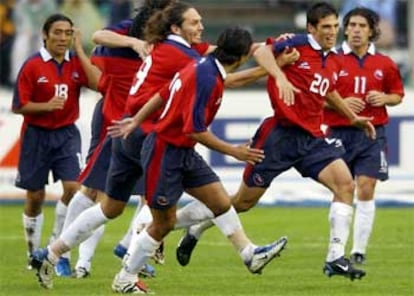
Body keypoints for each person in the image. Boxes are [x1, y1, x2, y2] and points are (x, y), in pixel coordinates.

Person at [175, 1, 376, 281]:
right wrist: (279, 75)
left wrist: (351, 118)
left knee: (345, 184)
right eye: (326, 27)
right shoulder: (294, 44)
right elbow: (262, 50)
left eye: (334, 27)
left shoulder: (333, 58)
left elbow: (327, 92)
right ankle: (192, 227)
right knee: (242, 203)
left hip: (312, 138)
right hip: (278, 137)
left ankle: (335, 258)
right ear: (311, 28)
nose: (332, 32)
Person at [107, 25, 291, 294]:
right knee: (164, 225)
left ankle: (250, 254)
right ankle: (125, 277)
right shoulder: (207, 77)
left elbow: (163, 92)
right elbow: (193, 129)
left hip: (182, 152)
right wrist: (233, 151)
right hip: (165, 153)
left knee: (220, 202)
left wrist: (137, 118)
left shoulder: (203, 65)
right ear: (240, 58)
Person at [56, 0, 174, 278]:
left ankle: (130, 250)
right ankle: (68, 256)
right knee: (94, 191)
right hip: (112, 121)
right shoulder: (124, 34)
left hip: (142, 126)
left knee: (151, 193)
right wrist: (133, 43)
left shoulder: (169, 44)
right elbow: (99, 37)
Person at [11, 13, 97, 271]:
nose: (63, 38)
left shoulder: (75, 63)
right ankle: (31, 251)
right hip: (36, 136)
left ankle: (54, 242)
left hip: (67, 135)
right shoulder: (32, 65)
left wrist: (81, 50)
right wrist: (46, 106)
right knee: (35, 196)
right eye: (57, 32)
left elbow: (96, 83)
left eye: (68, 33)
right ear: (45, 35)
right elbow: (18, 106)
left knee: (73, 188)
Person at [323, 7, 404, 264]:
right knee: (341, 189)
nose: (356, 30)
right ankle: (336, 249)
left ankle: (358, 250)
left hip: (372, 134)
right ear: (345, 29)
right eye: (352, 25)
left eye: (362, 26)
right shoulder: (330, 60)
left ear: (372, 31)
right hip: (338, 133)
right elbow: (315, 97)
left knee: (366, 188)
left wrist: (385, 98)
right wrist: (340, 102)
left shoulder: (385, 63)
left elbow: (397, 95)